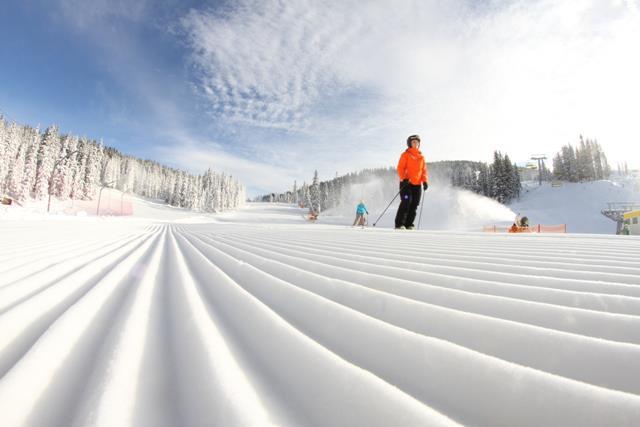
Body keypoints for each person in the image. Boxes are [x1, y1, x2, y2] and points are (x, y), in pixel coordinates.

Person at [395, 134, 429, 229]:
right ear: (409, 143)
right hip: (406, 183)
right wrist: (404, 178)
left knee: (414, 204)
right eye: (413, 142)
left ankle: (409, 224)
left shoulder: (421, 157)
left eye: (417, 142)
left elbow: (424, 170)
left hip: (417, 184)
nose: (415, 143)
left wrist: (425, 181)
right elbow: (400, 168)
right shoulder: (405, 155)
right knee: (406, 201)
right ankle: (399, 224)